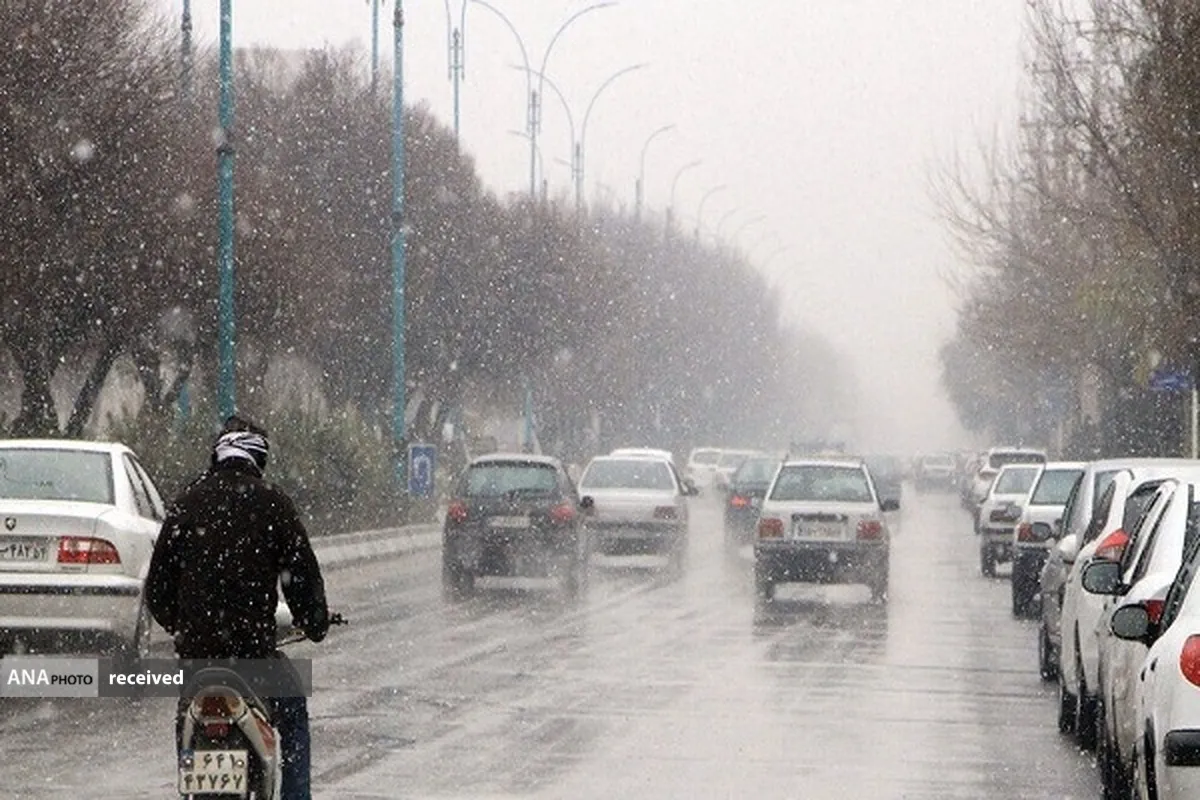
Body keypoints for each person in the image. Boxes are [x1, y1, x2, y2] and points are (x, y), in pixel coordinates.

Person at [145, 414, 329, 800]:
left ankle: (190, 775)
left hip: (197, 660)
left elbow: (157, 589)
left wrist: (183, 625)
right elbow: (302, 579)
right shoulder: (273, 503)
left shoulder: (186, 503)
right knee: (293, 714)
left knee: (185, 719)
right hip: (253, 658)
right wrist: (315, 623)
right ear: (258, 457)